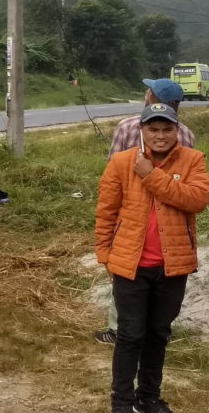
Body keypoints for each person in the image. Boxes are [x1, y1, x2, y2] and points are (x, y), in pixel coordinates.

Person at [96, 103, 209, 413]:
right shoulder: (121, 162)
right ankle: (122, 402)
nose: (160, 135)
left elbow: (197, 200)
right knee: (130, 335)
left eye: (167, 129)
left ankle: (149, 398)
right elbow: (106, 211)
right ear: (142, 130)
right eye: (153, 129)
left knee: (158, 334)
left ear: (177, 130)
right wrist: (105, 255)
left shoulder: (193, 160)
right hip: (131, 266)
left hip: (173, 267)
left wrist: (151, 176)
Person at [96, 78, 196, 345]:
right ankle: (156, 328)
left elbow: (111, 174)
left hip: (130, 218)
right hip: (172, 223)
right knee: (161, 281)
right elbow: (187, 184)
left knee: (127, 276)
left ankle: (119, 330)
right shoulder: (186, 133)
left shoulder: (128, 126)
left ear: (150, 96)